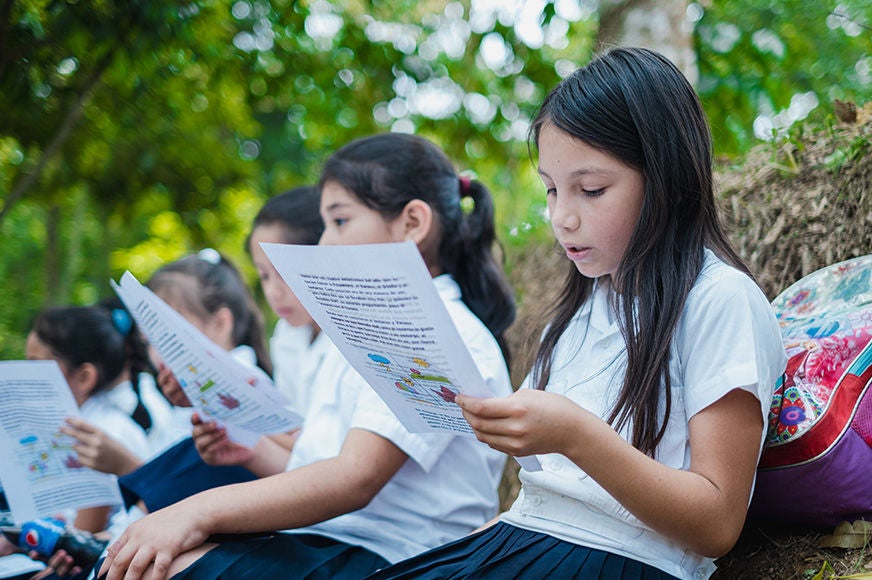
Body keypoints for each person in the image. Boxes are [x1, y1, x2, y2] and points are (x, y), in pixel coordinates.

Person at [365, 47, 788, 580]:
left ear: (665, 177)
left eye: (590, 190)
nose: (560, 217)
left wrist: (576, 435)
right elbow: (546, 499)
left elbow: (717, 523)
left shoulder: (720, 300)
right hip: (525, 538)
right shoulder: (575, 315)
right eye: (550, 189)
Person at [98, 132, 517, 580]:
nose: (325, 246)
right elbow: (326, 470)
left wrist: (194, 512)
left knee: (159, 566)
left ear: (412, 223)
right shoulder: (372, 328)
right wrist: (250, 450)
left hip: (399, 561)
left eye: (339, 222)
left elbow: (356, 480)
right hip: (338, 540)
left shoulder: (431, 328)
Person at [117, 186, 328, 513]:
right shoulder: (288, 337)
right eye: (264, 276)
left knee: (195, 458)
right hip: (293, 471)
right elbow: (289, 432)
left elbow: (314, 448)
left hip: (315, 491)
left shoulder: (345, 344)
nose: (274, 291)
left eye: (282, 273)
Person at [25, 305, 152, 534]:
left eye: (36, 365)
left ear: (84, 377)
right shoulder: (75, 423)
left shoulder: (100, 436)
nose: (27, 376)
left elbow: (84, 534)